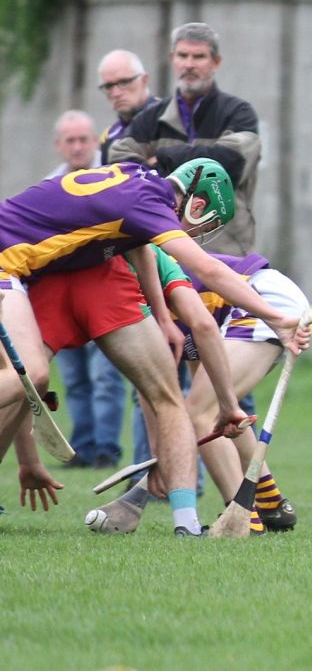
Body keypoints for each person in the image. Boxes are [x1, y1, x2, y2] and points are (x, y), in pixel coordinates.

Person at [0, 158, 306, 536]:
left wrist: (162, 317)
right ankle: (252, 511)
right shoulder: (153, 215)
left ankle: (252, 511)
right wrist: (275, 320)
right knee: (32, 376)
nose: (195, 236)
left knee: (198, 410)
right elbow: (207, 286)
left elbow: (151, 262)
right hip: (6, 262)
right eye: (205, 224)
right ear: (196, 205)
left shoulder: (134, 181)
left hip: (256, 300)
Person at [89, 246, 308, 536]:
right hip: (257, 299)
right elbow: (153, 384)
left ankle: (241, 519)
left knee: (200, 413)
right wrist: (162, 452)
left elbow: (158, 383)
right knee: (212, 408)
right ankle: (271, 504)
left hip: (259, 298)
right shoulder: (125, 284)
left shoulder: (134, 269)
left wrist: (165, 451)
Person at [109, 23, 261, 256]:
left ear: (216, 62)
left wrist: (162, 158)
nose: (189, 64)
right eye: (183, 55)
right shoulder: (150, 118)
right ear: (173, 59)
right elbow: (120, 169)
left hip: (226, 253)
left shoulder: (238, 113)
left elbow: (229, 165)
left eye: (199, 56)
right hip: (163, 255)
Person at [46, 111, 127, 469]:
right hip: (62, 295)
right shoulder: (49, 185)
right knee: (75, 378)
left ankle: (106, 448)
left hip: (103, 290)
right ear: (59, 145)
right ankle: (81, 447)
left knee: (105, 375)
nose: (78, 147)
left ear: (95, 141)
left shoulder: (109, 179)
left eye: (84, 139)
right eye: (70, 140)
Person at [97, 49, 160, 160]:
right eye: (108, 86)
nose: (116, 93)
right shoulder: (109, 136)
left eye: (124, 82)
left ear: (144, 80)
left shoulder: (170, 121)